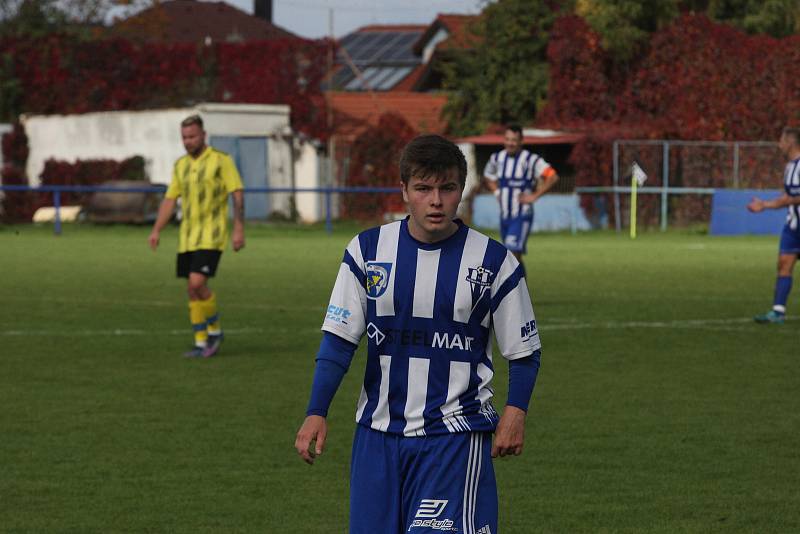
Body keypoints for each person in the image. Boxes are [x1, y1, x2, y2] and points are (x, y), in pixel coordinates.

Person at [294, 134, 542, 533]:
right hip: (376, 436)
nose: (436, 200)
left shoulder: (495, 262)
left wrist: (516, 412)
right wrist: (316, 411)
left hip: (453, 437)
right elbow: (339, 340)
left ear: (461, 190)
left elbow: (525, 351)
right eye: (424, 188)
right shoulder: (367, 251)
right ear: (405, 190)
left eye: (447, 188)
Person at [148, 114, 245, 356]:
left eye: (192, 136)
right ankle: (201, 342)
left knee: (197, 282)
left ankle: (214, 332)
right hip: (187, 238)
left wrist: (239, 228)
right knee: (191, 290)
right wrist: (157, 229)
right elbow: (170, 199)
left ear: (203, 135)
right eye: (184, 137)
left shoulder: (221, 161)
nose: (188, 141)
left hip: (212, 236)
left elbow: (237, 193)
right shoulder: (180, 165)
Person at [483, 124, 560, 273]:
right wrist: (497, 192)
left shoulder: (531, 160)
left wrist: (534, 196)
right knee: (512, 256)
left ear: (521, 141)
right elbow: (488, 176)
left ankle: (517, 293)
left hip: (522, 215)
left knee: (511, 254)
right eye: (507, 139)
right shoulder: (497, 158)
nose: (510, 143)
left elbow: (553, 176)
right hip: (505, 215)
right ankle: (520, 291)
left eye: (514, 140)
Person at [747, 126, 800, 324]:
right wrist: (765, 205)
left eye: (781, 140)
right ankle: (778, 312)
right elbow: (788, 197)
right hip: (794, 227)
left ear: (790, 142)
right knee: (784, 265)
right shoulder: (789, 168)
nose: (779, 145)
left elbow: (794, 198)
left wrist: (786, 201)